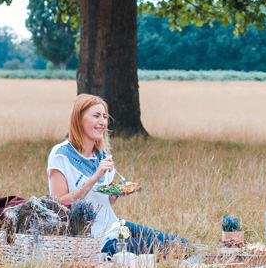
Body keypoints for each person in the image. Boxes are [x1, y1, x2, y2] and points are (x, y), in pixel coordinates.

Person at [47, 93, 189, 257]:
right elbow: (59, 204)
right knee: (164, 248)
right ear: (79, 119)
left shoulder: (102, 156)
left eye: (105, 117)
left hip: (113, 227)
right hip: (92, 240)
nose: (102, 122)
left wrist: (114, 195)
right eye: (96, 116)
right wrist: (94, 178)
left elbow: (101, 203)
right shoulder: (61, 154)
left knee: (181, 244)